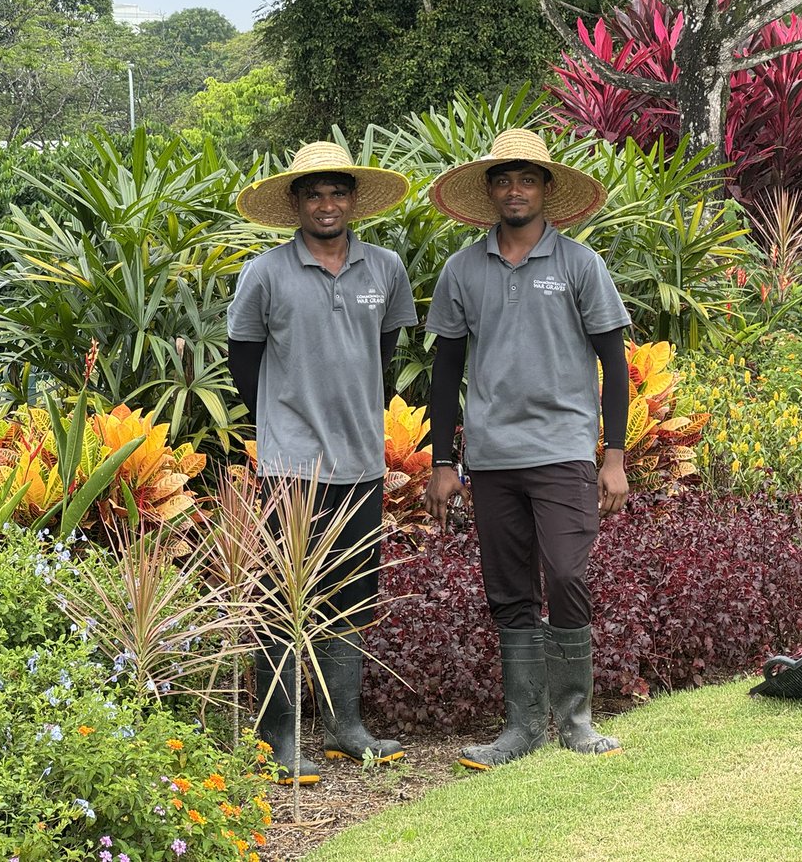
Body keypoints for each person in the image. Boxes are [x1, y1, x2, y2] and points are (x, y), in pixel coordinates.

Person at [423, 129, 631, 770]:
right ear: (489, 190)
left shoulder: (578, 265)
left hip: (564, 446)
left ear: (546, 189)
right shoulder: (462, 269)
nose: (515, 190)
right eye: (504, 179)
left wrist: (614, 456)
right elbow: (445, 370)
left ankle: (575, 719)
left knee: (568, 575)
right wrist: (442, 460)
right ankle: (521, 728)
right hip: (491, 456)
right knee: (509, 588)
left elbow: (614, 364)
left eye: (527, 179)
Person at [228, 141, 415, 784]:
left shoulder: (386, 269)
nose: (327, 204)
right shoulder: (267, 274)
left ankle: (345, 728)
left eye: (338, 192)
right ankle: (275, 736)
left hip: (362, 461)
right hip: (291, 466)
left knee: (353, 597)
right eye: (313, 194)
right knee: (283, 600)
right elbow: (244, 360)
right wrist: (283, 422)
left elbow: (380, 351)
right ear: (295, 204)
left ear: (354, 200)